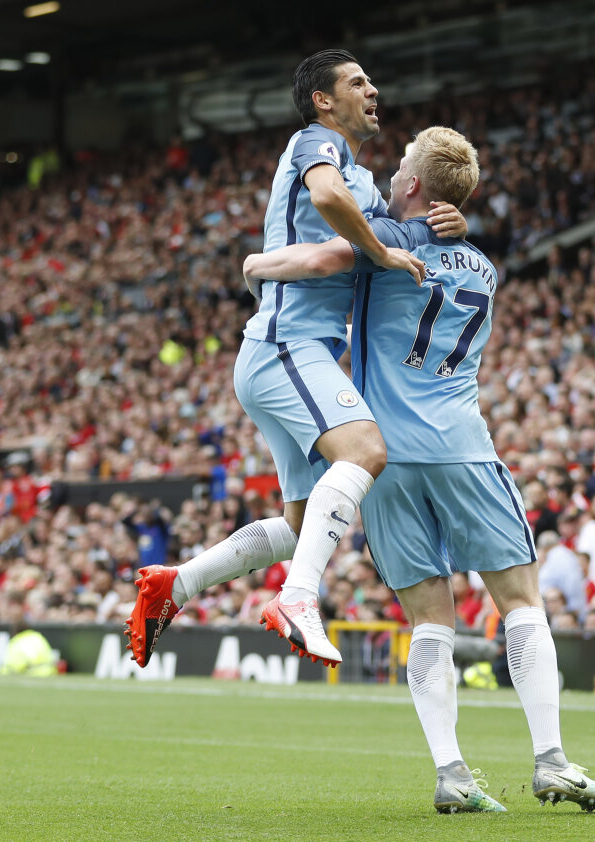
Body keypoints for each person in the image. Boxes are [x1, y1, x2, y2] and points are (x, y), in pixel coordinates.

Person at [243, 127, 595, 813]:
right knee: (520, 603)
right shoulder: (483, 265)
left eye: (400, 165)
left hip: (384, 458)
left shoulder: (384, 244)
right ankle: (552, 761)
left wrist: (258, 265)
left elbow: (327, 256)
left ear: (415, 184)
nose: (388, 172)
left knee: (430, 622)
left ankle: (451, 772)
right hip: (462, 448)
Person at [124, 49, 464, 668]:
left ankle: (175, 585)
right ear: (323, 101)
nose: (374, 88)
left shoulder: (365, 184)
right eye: (357, 81)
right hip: (288, 345)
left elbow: (355, 234)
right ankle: (298, 598)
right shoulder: (315, 144)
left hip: (288, 352)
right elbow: (330, 203)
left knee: (302, 521)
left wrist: (446, 224)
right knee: (365, 451)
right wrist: (382, 255)